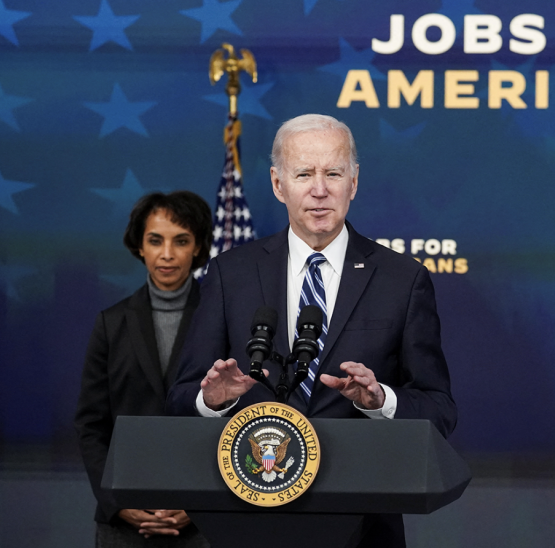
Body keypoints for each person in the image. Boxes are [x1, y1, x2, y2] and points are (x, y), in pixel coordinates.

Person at [166, 114, 457, 547]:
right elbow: (179, 397)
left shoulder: (402, 279)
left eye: (333, 173)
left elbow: (440, 409)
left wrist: (382, 401)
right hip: (250, 520)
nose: (319, 190)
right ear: (278, 184)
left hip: (362, 528)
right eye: (304, 173)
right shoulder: (231, 274)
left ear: (353, 183)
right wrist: (210, 399)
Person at [75, 191, 213, 547]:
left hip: (204, 524)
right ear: (139, 246)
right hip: (123, 524)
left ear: (197, 248)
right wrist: (117, 502)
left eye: (180, 241)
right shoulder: (111, 323)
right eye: (155, 240)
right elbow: (91, 425)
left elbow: (239, 422)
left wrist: (201, 504)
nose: (167, 255)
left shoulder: (222, 319)